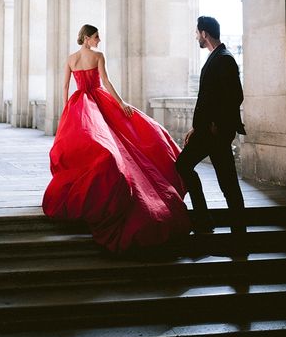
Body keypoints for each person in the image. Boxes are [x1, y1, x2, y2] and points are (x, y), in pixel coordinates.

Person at [42, 24, 190, 253]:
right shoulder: (98, 56)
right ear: (88, 38)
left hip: (79, 103)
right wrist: (121, 104)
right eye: (96, 36)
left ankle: (90, 187)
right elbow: (107, 82)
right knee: (119, 137)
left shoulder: (71, 59)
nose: (99, 40)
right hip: (99, 100)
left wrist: (67, 109)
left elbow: (64, 87)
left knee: (87, 145)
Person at [175, 16, 246, 239]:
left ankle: (217, 224)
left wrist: (217, 125)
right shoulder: (216, 57)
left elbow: (235, 95)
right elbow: (208, 98)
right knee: (223, 180)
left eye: (197, 33)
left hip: (215, 132)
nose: (196, 36)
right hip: (207, 131)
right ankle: (211, 221)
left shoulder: (224, 59)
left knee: (221, 180)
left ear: (204, 33)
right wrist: (197, 127)